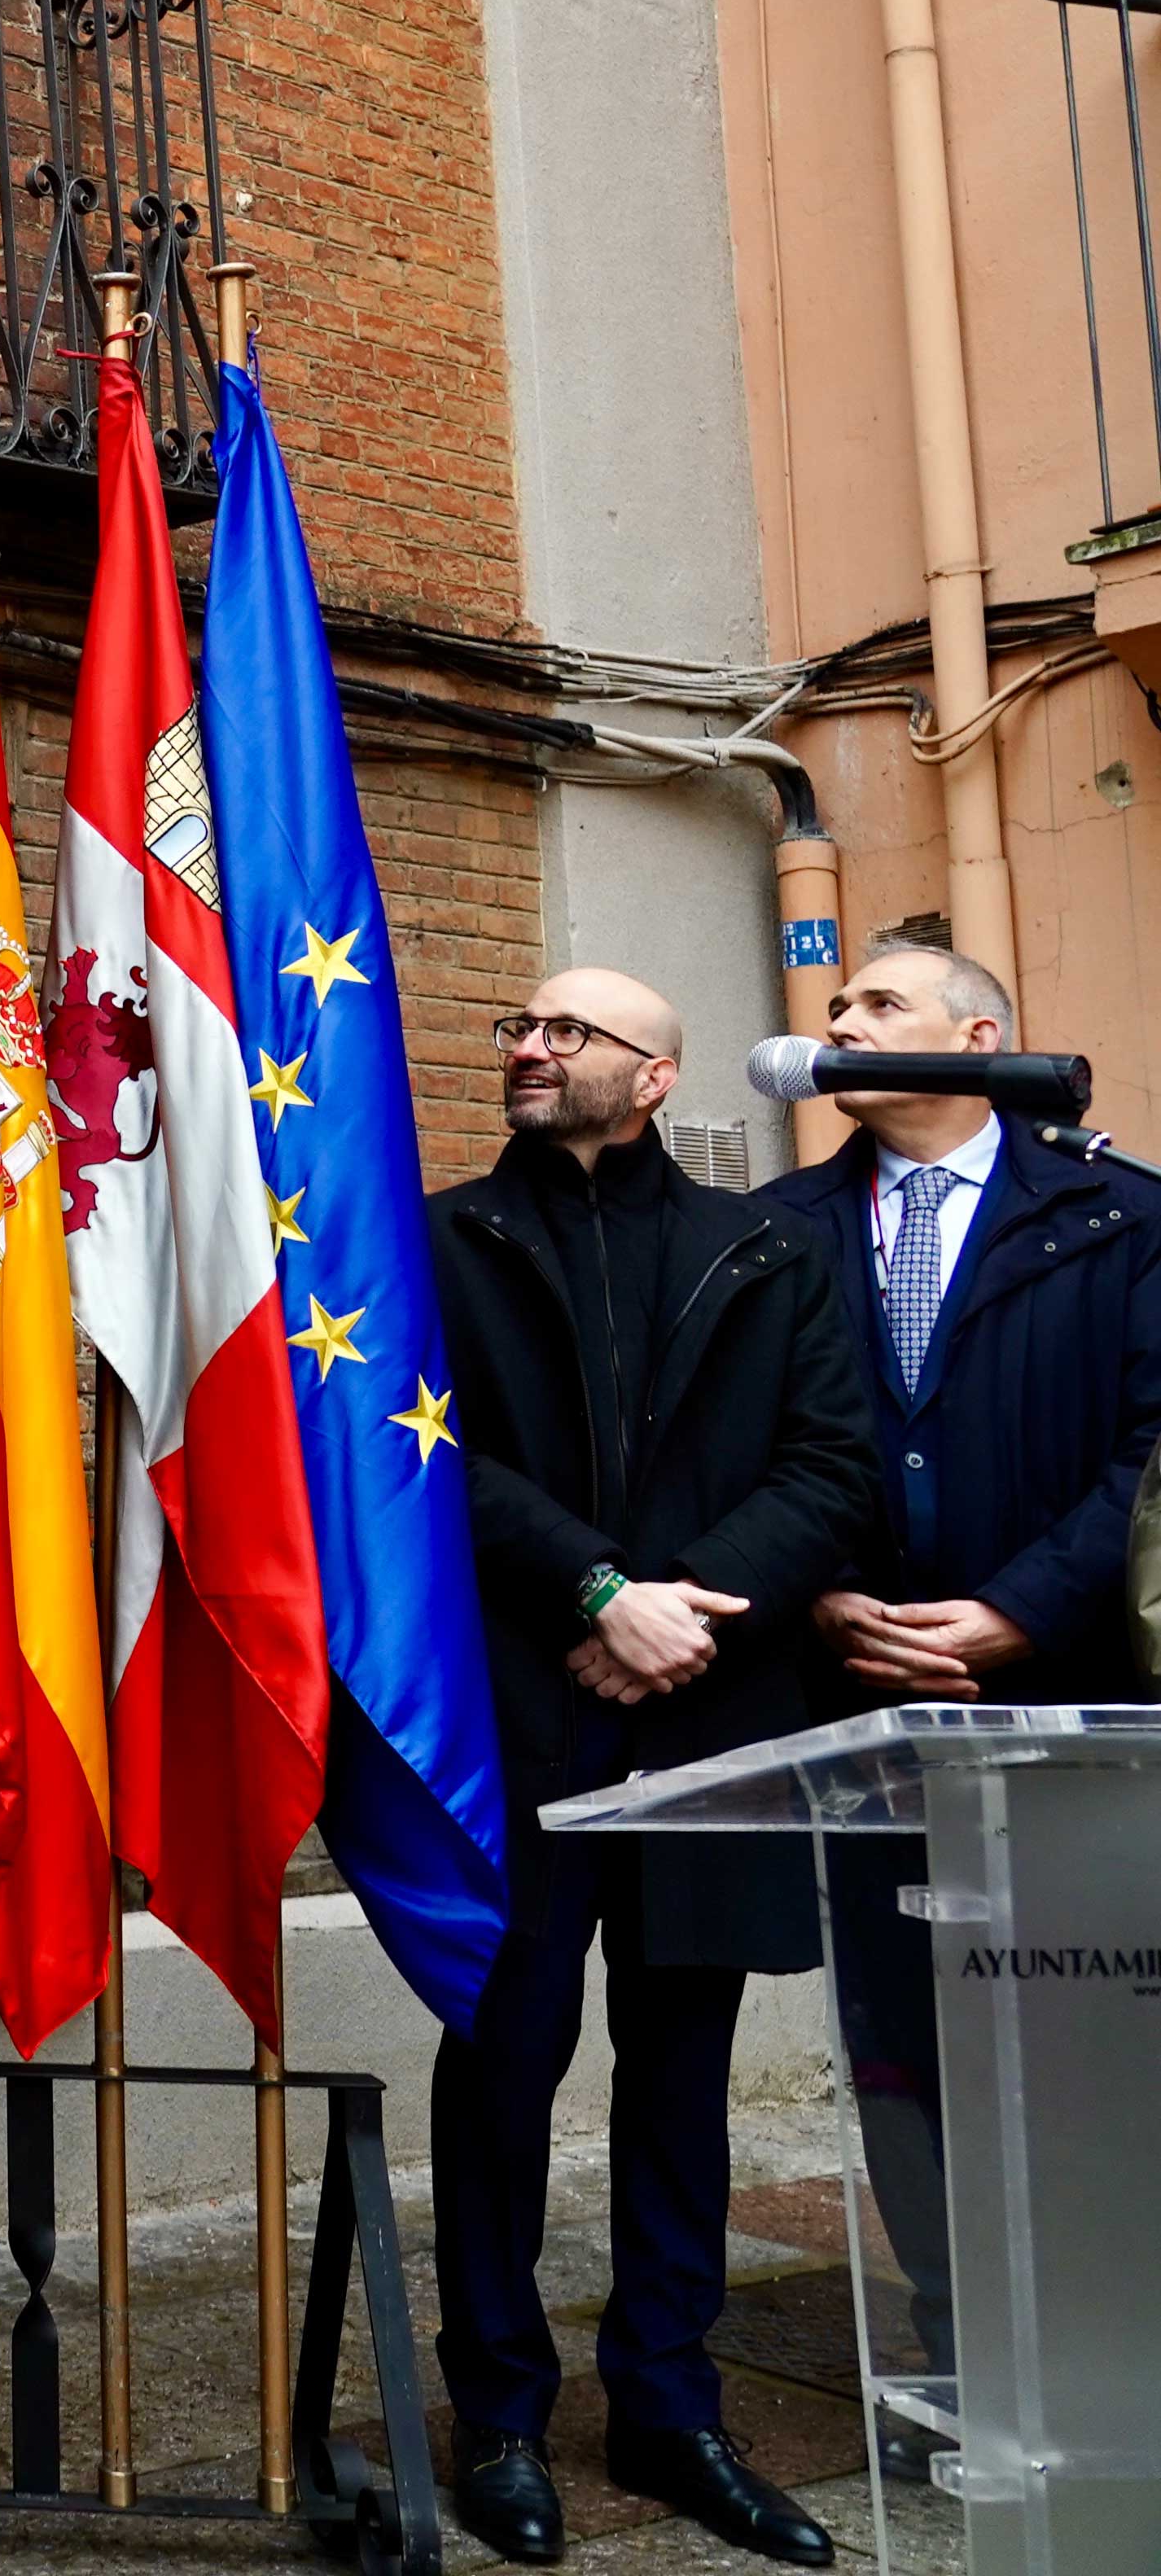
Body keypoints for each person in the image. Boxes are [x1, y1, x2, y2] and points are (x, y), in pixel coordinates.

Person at [425, 967, 878, 2570]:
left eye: (569, 1030)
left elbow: (833, 1465)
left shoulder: (768, 1250)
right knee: (502, 2065)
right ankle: (495, 2412)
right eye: (519, 1028)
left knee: (681, 2076)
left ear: (658, 1068)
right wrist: (598, 1586)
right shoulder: (437, 1239)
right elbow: (411, 1441)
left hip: (702, 1717)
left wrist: (672, 1604)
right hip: (520, 1717)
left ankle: (670, 2407)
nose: (530, 1047)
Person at [752, 935, 1161, 2396]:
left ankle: (1114, 2339)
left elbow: (1152, 1455)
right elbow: (753, 1456)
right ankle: (967, 2350)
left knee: (1085, 2024)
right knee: (904, 2040)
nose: (841, 1025)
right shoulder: (781, 1229)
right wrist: (822, 1597)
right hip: (861, 1710)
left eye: (876, 1004)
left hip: (1070, 1700)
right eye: (838, 1005)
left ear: (977, 1035)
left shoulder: (1118, 1218)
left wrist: (1021, 1610)